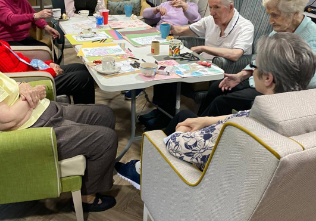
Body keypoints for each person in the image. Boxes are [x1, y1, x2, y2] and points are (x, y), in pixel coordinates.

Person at [0, 11, 117, 212]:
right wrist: (34, 93)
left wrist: (24, 87)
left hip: (41, 111)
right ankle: (88, 197)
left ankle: (93, 171)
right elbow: (5, 120)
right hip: (33, 128)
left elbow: (10, 84)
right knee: (107, 139)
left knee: (104, 114)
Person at [115, 33, 316, 189]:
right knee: (187, 115)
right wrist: (206, 121)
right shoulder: (297, 112)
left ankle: (144, 174)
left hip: (211, 178)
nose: (252, 69)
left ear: (268, 78)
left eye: (256, 64)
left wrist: (184, 131)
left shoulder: (242, 132)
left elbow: (177, 145)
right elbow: (246, 115)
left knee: (178, 125)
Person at [140, 0, 254, 130]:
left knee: (172, 74)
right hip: (200, 65)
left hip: (219, 71)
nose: (212, 12)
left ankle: (165, 119)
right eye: (210, 7)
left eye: (216, 8)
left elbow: (236, 54)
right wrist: (172, 28)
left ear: (230, 7)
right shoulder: (211, 20)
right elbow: (182, 31)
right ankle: (161, 112)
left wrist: (204, 48)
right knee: (164, 67)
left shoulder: (245, 26)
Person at [198, 0, 316, 117]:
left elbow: (309, 81)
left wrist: (272, 80)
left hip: (276, 91)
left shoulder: (311, 37)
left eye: (275, 15)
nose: (271, 21)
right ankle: (195, 123)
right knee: (216, 87)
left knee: (223, 102)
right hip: (258, 80)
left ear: (295, 14)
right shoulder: (283, 27)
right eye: (269, 15)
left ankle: (205, 131)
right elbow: (261, 58)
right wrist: (240, 76)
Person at [0, 0, 95, 105]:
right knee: (83, 78)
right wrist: (50, 71)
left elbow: (19, 60)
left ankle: (82, 107)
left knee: (81, 68)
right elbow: (14, 75)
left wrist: (48, 64)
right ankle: (88, 115)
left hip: (35, 71)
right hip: (32, 80)